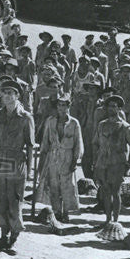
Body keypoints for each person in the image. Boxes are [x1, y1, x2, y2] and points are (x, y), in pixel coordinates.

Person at [0, 77, 34, 254]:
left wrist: (28, 171)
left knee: (14, 202)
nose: (6, 96)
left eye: (10, 93)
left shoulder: (25, 118)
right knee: (0, 201)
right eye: (4, 92)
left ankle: (13, 239)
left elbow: (29, 146)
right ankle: (3, 237)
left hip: (16, 163)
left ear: (17, 96)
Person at [35, 94, 83, 225]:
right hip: (53, 155)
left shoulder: (74, 123)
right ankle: (57, 212)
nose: (62, 108)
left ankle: (66, 212)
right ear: (57, 106)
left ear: (68, 106)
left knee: (67, 186)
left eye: (64, 105)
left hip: (67, 156)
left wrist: (75, 161)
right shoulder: (50, 121)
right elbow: (45, 141)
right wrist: (43, 157)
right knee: (54, 184)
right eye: (60, 105)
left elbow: (78, 143)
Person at [92, 94, 130, 231]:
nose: (111, 109)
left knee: (115, 191)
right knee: (105, 191)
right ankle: (107, 219)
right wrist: (96, 159)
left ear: (119, 109)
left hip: (117, 162)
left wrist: (128, 164)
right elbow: (95, 142)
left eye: (114, 106)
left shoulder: (125, 127)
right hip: (103, 161)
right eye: (109, 106)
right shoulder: (102, 125)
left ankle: (115, 221)